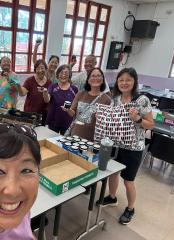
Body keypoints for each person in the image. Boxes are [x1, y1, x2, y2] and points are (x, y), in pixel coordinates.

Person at [98, 68, 154, 225]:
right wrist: (101, 117)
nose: (124, 83)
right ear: (117, 82)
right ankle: (112, 197)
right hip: (116, 145)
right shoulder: (115, 99)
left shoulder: (142, 100)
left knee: (128, 180)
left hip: (133, 148)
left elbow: (151, 125)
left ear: (134, 82)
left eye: (128, 80)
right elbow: (112, 120)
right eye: (121, 80)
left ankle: (130, 208)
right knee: (113, 174)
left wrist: (137, 118)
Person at [63, 68, 111, 141]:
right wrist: (68, 110)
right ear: (88, 80)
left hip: (93, 139)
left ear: (103, 79)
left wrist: (101, 118)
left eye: (98, 76)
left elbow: (107, 124)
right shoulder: (80, 94)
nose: (96, 78)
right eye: (93, 76)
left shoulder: (107, 100)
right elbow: (72, 113)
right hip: (75, 134)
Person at [43, 64, 78, 135]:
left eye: (66, 73)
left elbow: (75, 107)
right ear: (58, 74)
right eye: (61, 73)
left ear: (69, 75)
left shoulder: (74, 89)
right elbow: (47, 100)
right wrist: (45, 92)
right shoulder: (53, 86)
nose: (63, 75)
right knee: (52, 141)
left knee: (64, 143)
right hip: (53, 120)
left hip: (67, 122)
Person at [18, 59, 51, 125]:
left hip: (43, 114)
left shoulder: (49, 83)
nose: (40, 70)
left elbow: (47, 100)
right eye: (38, 68)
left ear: (46, 69)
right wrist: (18, 85)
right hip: (29, 114)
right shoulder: (30, 80)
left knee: (41, 133)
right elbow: (22, 93)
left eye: (42, 68)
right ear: (35, 70)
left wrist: (45, 92)